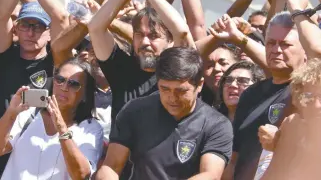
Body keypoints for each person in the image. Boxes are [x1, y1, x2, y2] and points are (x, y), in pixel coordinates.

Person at [0, 0, 70, 180]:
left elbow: (60, 16)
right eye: (26, 25)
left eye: (39, 27)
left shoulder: (57, 61)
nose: (31, 32)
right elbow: (0, 17)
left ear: (49, 34)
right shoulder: (3, 55)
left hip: (39, 153)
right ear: (16, 29)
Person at [95, 47, 233, 180]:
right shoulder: (135, 111)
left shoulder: (216, 125)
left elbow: (210, 175)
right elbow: (111, 166)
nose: (172, 98)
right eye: (165, 89)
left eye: (181, 91)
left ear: (200, 85)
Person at [0, 57, 103, 180]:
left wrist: (62, 129)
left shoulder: (91, 129)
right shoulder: (29, 113)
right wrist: (10, 114)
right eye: (60, 80)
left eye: (73, 84)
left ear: (85, 93)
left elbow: (81, 175)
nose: (64, 87)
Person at [223, 11, 307, 180]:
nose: (276, 50)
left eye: (285, 44)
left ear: (305, 50)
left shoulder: (309, 91)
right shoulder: (250, 94)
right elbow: (235, 157)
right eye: (270, 43)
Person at [259, 58, 321, 180]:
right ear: (297, 100)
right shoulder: (292, 127)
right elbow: (272, 174)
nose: (317, 105)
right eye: (308, 97)